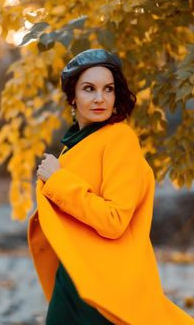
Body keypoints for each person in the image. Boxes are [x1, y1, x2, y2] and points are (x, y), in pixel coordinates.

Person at [27, 49, 194, 325]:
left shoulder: (119, 138)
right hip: (73, 278)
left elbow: (114, 219)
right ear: (72, 96)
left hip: (105, 286)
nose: (100, 98)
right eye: (89, 89)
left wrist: (57, 180)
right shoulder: (76, 146)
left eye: (108, 89)